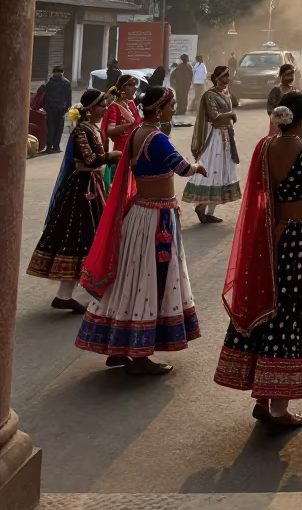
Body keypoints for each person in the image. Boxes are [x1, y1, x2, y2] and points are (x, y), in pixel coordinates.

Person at [214, 91, 302, 426]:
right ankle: (278, 409)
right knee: (294, 315)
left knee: (268, 306)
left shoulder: (264, 149)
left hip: (270, 238)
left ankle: (264, 399)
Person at [77, 86, 202, 374]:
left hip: (141, 214)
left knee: (129, 280)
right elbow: (181, 168)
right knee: (149, 281)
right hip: (155, 218)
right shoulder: (156, 138)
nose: (174, 108)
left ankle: (117, 348)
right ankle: (140, 354)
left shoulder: (136, 133)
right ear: (159, 109)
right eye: (171, 104)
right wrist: (198, 166)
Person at [27, 88, 120, 312]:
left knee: (88, 237)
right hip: (82, 189)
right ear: (89, 110)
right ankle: (65, 294)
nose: (105, 108)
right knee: (79, 237)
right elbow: (89, 159)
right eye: (101, 105)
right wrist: (112, 156)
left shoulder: (92, 129)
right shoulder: (82, 132)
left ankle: (77, 290)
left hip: (91, 185)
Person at [183, 65, 241, 222]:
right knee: (212, 171)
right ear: (217, 78)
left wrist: (229, 112)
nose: (228, 79)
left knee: (223, 171)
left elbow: (234, 105)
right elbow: (214, 116)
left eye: (228, 76)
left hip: (226, 137)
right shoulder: (209, 95)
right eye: (225, 76)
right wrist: (230, 115)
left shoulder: (226, 92)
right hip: (215, 138)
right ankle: (201, 207)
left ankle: (209, 213)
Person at [101, 74, 140, 194]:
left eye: (135, 85)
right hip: (122, 150)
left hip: (135, 148)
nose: (134, 88)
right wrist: (128, 125)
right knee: (122, 188)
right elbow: (110, 130)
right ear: (123, 88)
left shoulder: (131, 104)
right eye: (131, 85)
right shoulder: (114, 107)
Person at [42, 65, 72, 153]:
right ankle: (56, 146)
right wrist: (67, 107)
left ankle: (49, 147)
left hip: (50, 107)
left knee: (50, 126)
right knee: (59, 127)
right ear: (62, 72)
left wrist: (45, 107)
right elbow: (68, 97)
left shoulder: (48, 82)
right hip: (61, 108)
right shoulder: (66, 82)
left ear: (53, 72)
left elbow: (44, 96)